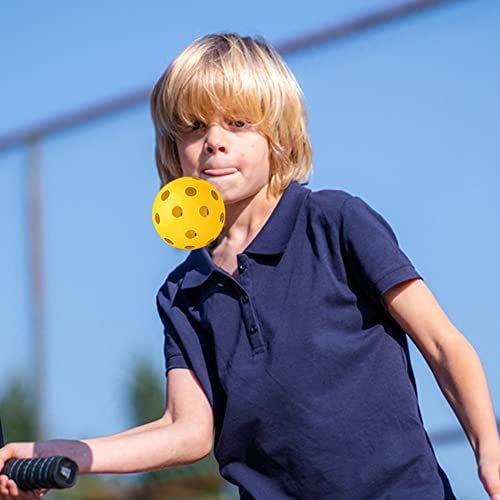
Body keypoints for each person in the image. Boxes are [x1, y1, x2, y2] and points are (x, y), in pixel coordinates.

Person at [1, 32, 499, 500]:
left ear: (278, 137)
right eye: (195, 127)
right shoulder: (182, 292)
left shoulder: (336, 222)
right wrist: (57, 452)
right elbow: (186, 430)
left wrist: (488, 445)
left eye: (238, 124)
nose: (214, 140)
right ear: (175, 149)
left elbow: (441, 342)